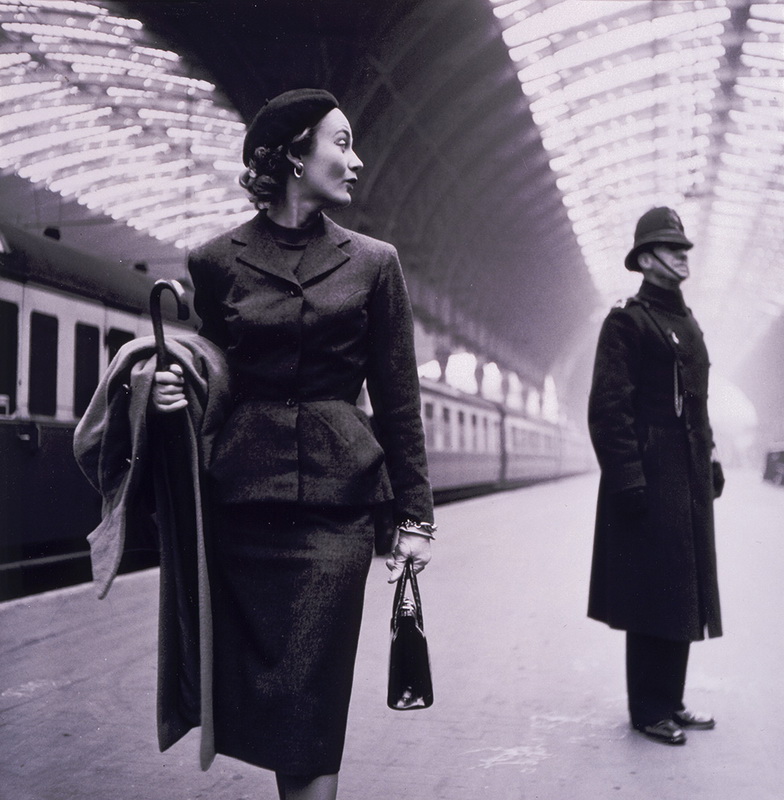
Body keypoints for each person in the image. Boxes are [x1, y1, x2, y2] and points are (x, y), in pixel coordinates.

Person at [152, 88, 435, 799]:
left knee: (309, 712)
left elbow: (399, 398)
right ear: (291, 156)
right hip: (242, 510)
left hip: (337, 516)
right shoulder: (214, 262)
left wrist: (416, 515)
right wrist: (171, 401)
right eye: (340, 143)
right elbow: (216, 377)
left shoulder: (375, 263)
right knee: (273, 710)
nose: (356, 160)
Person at [586, 207, 725, 746]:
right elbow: (608, 409)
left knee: (682, 591)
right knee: (652, 593)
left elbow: (698, 404)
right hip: (648, 476)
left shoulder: (687, 324)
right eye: (671, 248)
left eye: (685, 248)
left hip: (685, 476)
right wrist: (628, 479)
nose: (682, 254)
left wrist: (708, 458)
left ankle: (671, 700)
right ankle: (647, 709)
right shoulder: (627, 321)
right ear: (645, 259)